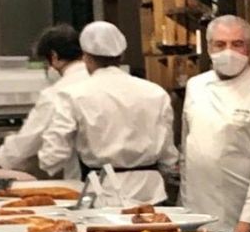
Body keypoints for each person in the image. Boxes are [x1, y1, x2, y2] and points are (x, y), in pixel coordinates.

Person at [40, 21, 179, 205]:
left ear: (86, 57)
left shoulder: (73, 95)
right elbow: (168, 155)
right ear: (121, 55)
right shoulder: (155, 92)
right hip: (150, 193)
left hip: (101, 191)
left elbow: (53, 156)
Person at [180, 15, 250, 232]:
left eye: (237, 44)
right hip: (194, 213)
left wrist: (249, 219)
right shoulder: (195, 86)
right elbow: (187, 151)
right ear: (208, 48)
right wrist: (183, 209)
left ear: (249, 49)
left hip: (238, 217)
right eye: (220, 44)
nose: (229, 51)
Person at [0, 24, 86, 178]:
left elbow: (27, 142)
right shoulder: (107, 81)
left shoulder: (58, 93)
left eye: (46, 63)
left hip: (88, 179)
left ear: (54, 57)